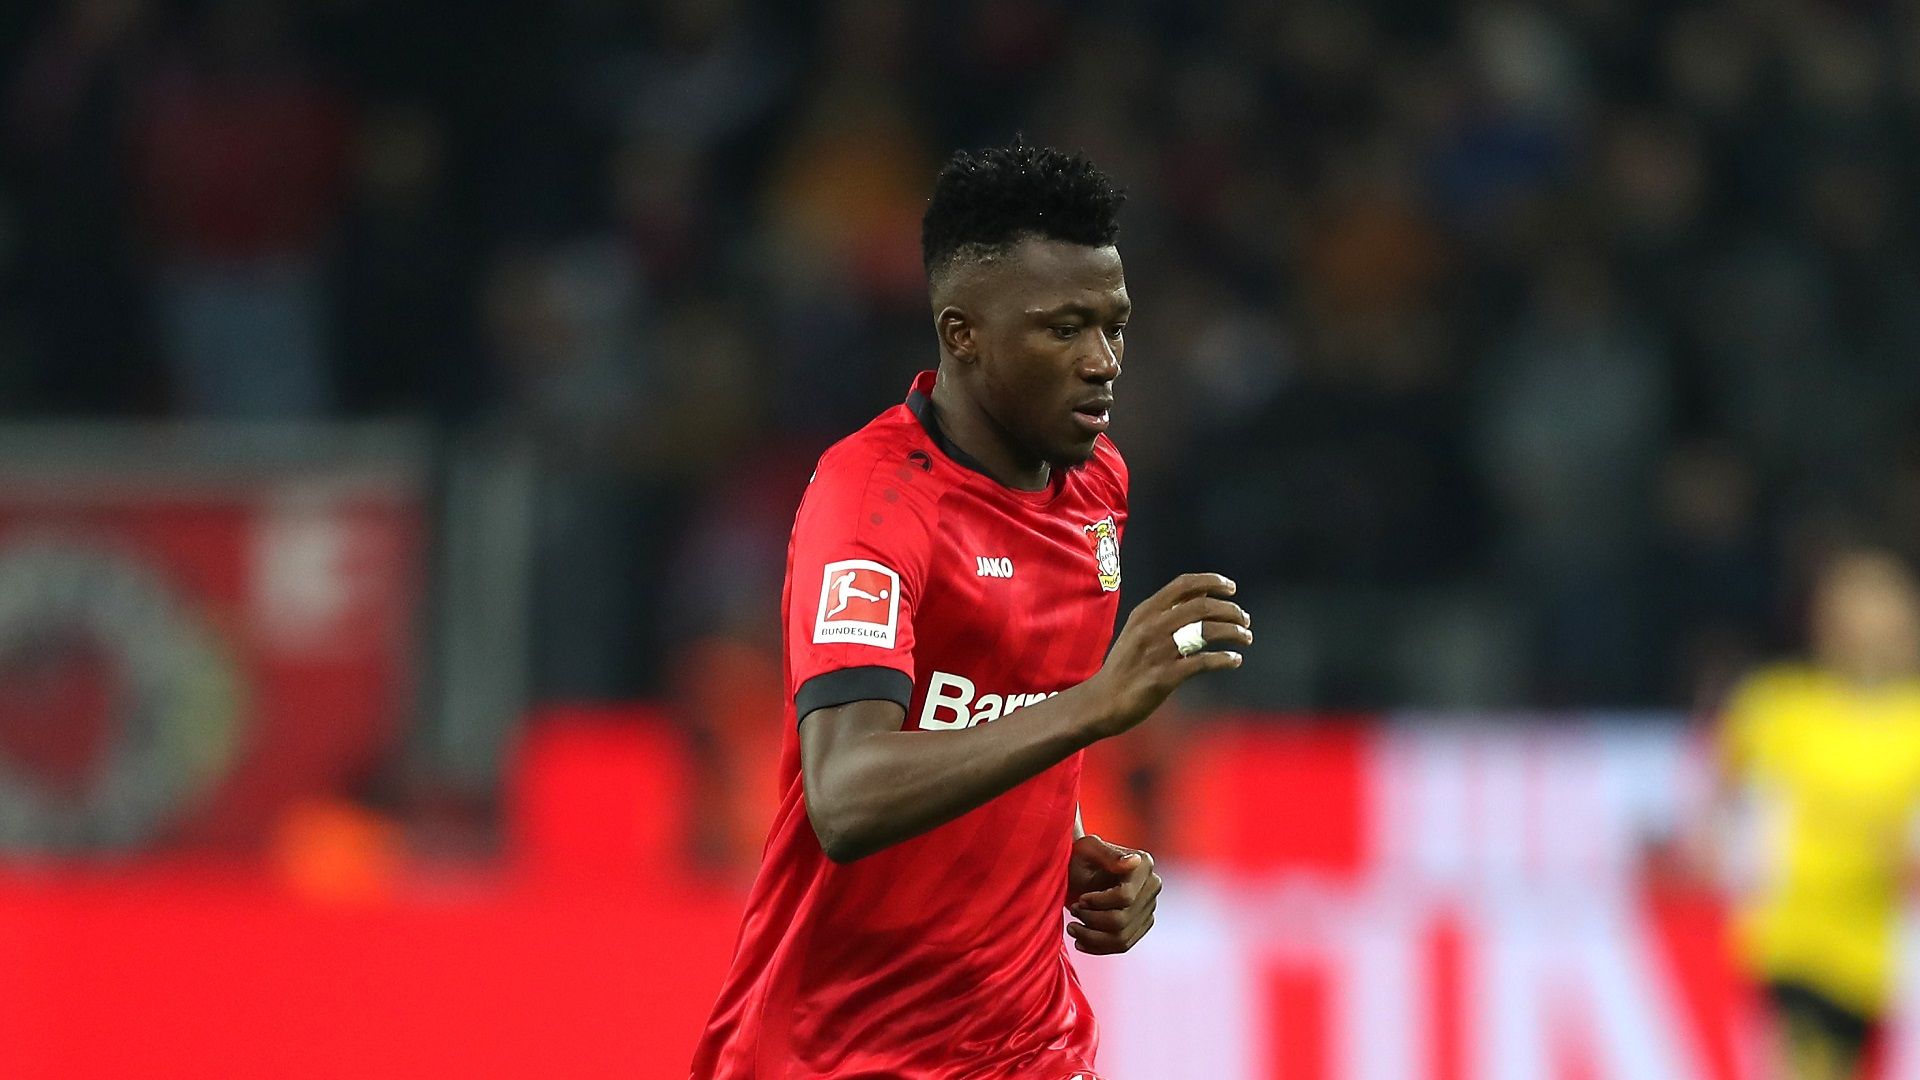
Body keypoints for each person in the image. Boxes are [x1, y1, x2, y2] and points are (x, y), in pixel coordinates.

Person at [690, 139, 1251, 1078]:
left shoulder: (1097, 486)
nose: (1102, 362)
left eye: (1113, 326)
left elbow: (1006, 706)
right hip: (835, 1054)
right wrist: (1097, 706)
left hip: (1027, 1045)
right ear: (963, 335)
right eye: (1063, 329)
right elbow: (848, 795)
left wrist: (1068, 850)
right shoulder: (873, 506)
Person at [1713, 546, 1920, 1080]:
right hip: (1800, 942)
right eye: (1856, 603)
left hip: (1886, 954)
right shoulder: (1778, 707)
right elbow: (1721, 802)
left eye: (1885, 603)